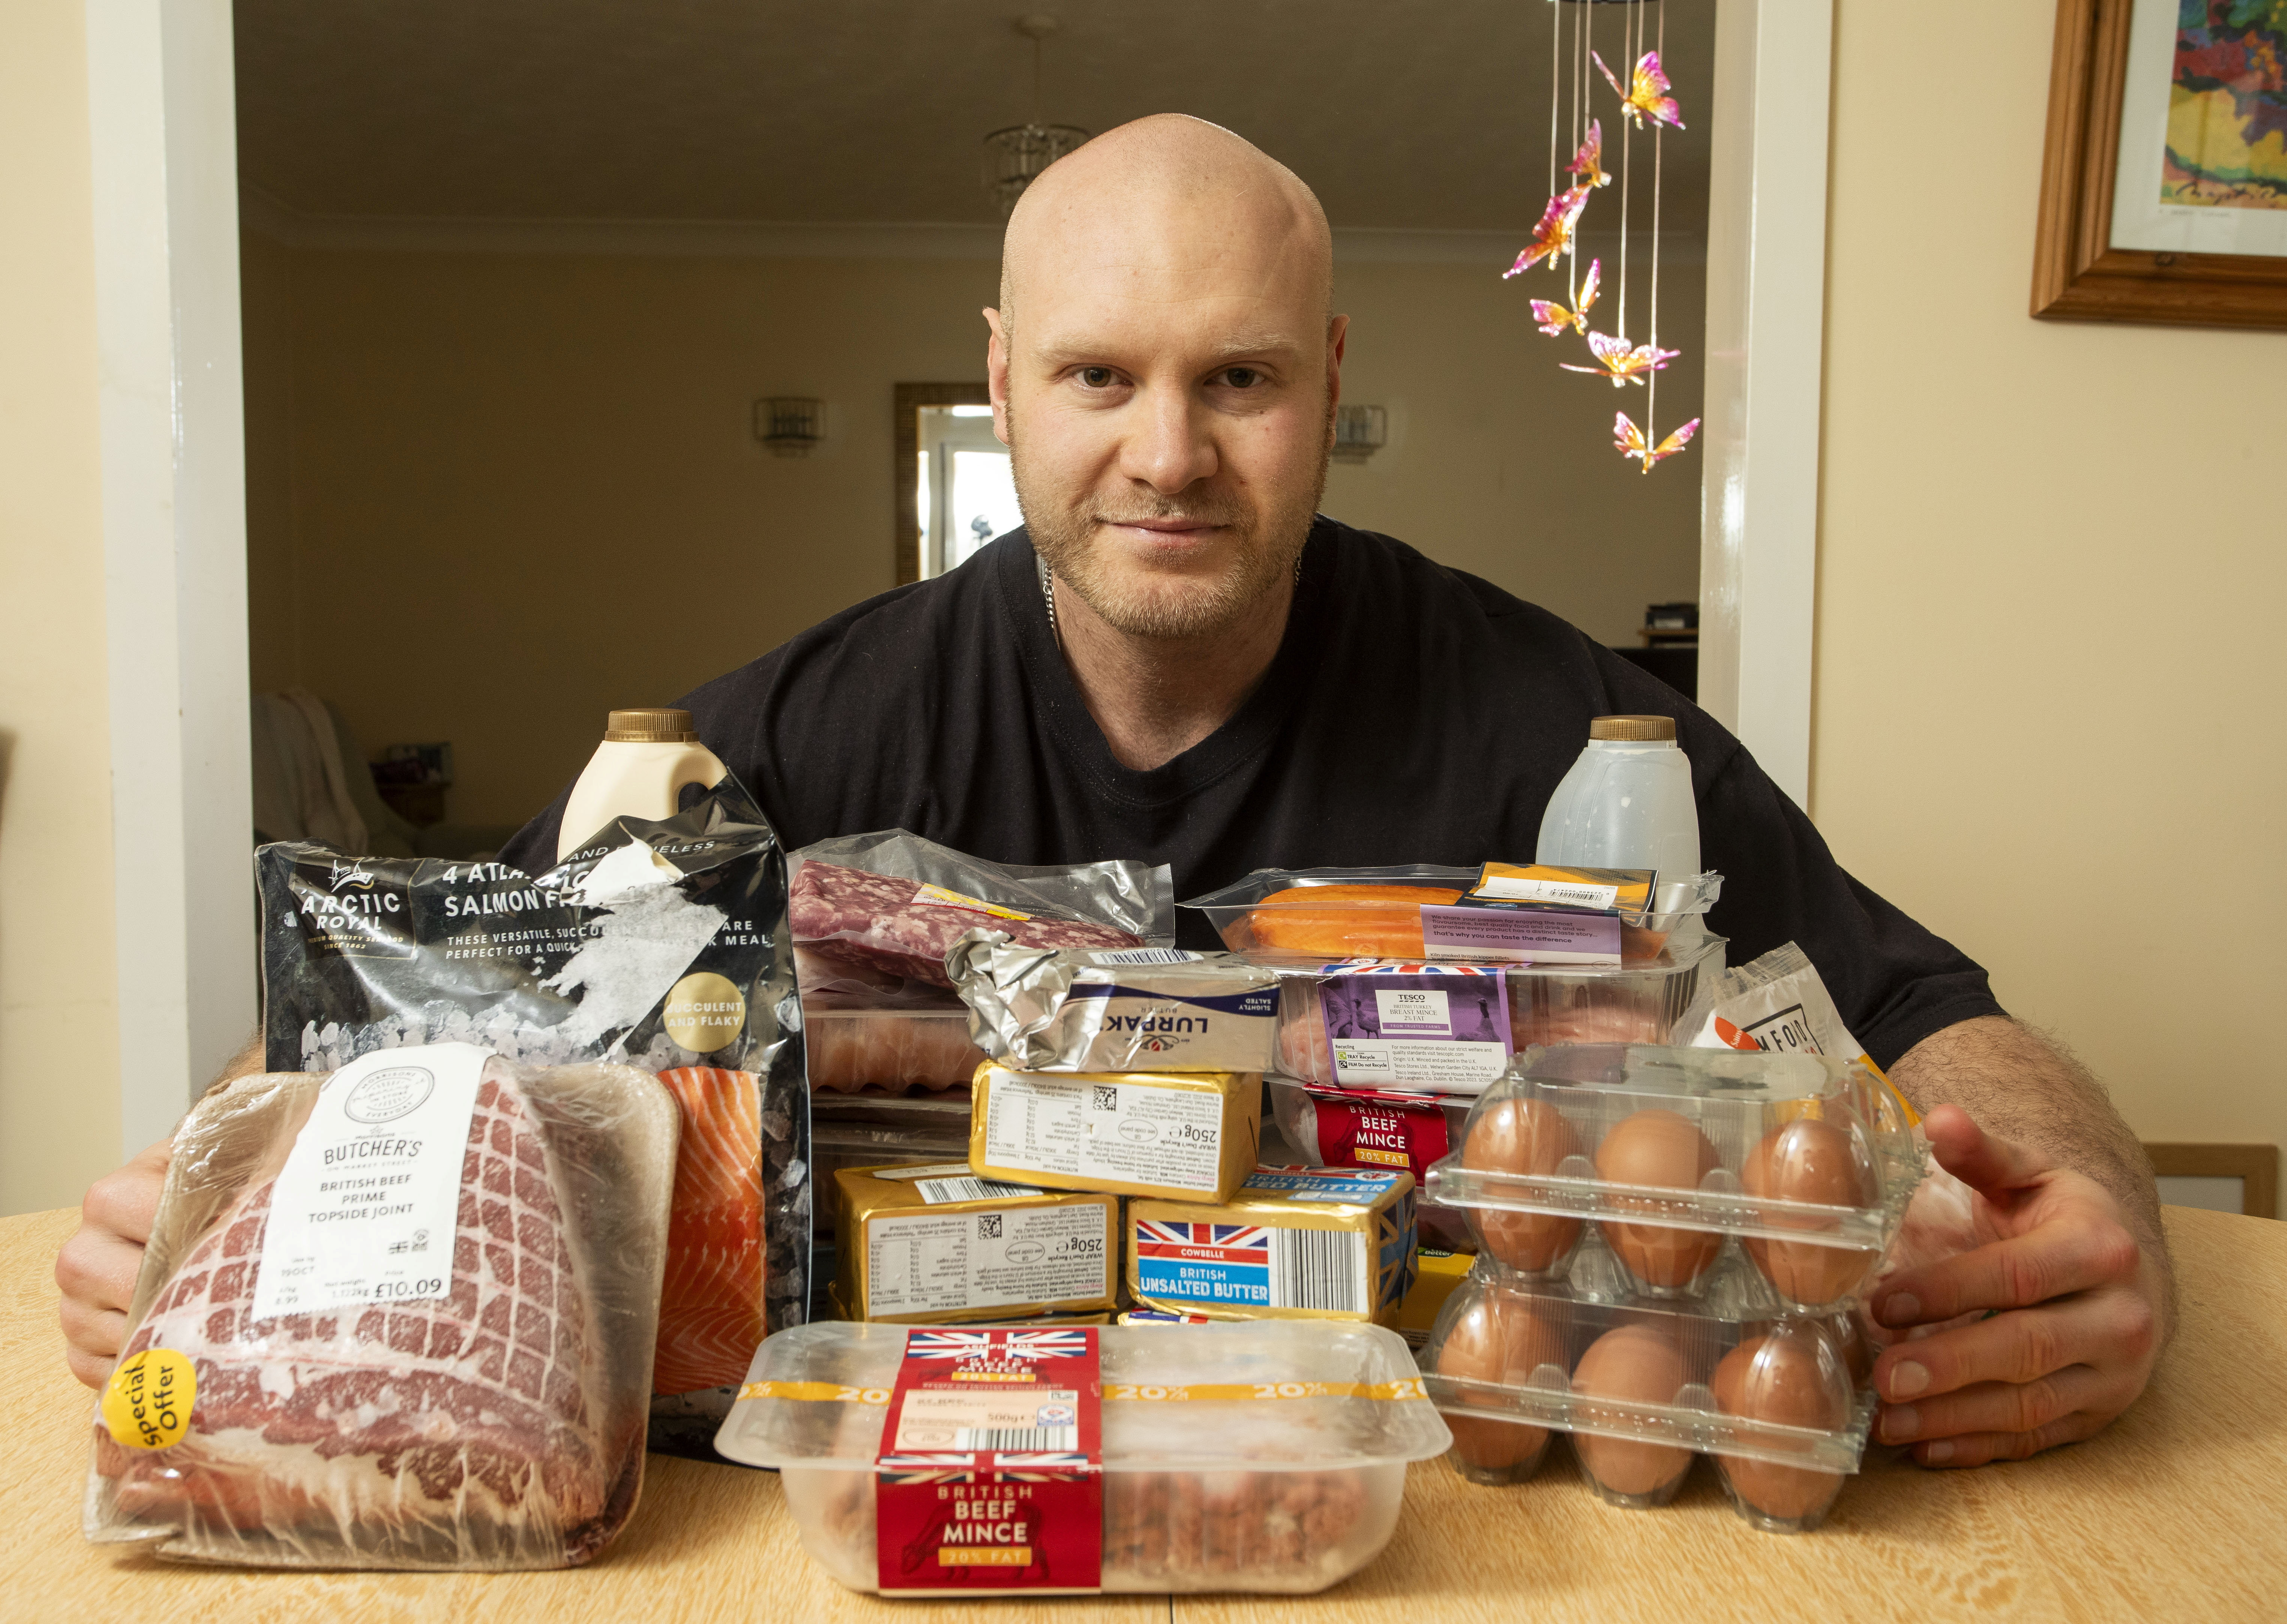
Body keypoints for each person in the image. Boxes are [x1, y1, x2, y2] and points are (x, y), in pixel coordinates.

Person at [57, 115, 2166, 1470]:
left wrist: (2103, 1213)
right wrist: (219, 1188)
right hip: (909, 1477)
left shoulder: (1562, 731)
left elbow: (1922, 1013)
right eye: (1099, 377)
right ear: (1002, 377)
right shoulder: (787, 740)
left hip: (1467, 1493)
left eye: (1237, 378)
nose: (1168, 452)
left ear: (1329, 385)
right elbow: (430, 1012)